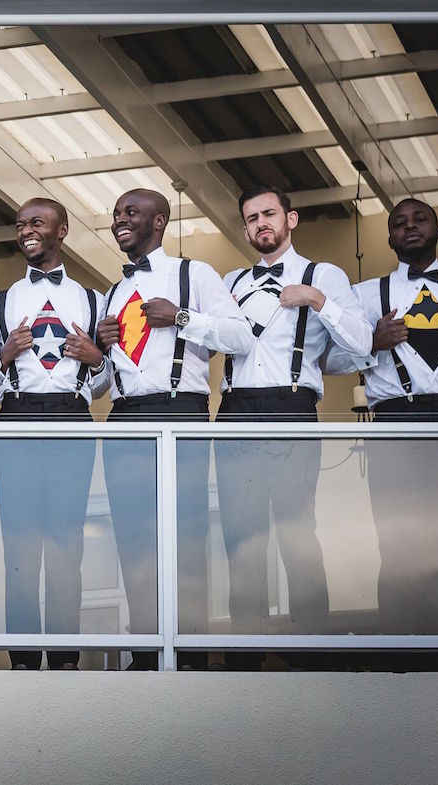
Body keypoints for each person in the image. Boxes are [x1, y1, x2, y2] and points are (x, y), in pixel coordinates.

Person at [214, 186, 373, 669]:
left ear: (291, 218)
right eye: (251, 218)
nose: (261, 223)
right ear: (244, 229)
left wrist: (316, 300)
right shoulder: (229, 280)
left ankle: (313, 653)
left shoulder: (323, 274)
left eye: (269, 214)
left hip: (292, 405)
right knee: (241, 540)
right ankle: (245, 657)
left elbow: (363, 343)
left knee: (297, 532)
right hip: (235, 409)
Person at [94, 189, 252, 669]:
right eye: (117, 214)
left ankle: (190, 655)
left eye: (131, 213)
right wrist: (97, 352)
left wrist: (180, 317)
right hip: (123, 418)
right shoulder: (113, 291)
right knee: (132, 538)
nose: (120, 220)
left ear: (159, 221)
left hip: (179, 412)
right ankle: (145, 652)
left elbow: (240, 336)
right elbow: (106, 381)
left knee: (185, 537)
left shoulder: (194, 273)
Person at [351, 198, 438, 654]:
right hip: (393, 423)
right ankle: (401, 656)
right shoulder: (364, 295)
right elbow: (330, 357)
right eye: (399, 223)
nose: (409, 227)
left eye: (419, 219)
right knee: (395, 542)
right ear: (389, 237)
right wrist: (371, 342)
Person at [0, 198, 107, 670]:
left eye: (36, 222)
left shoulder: (95, 299)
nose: (26, 231)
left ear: (63, 230)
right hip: (15, 415)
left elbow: (105, 385)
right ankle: (21, 659)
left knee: (66, 544)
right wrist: (3, 354)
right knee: (17, 545)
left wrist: (95, 360)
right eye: (20, 225)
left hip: (73, 418)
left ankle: (63, 659)